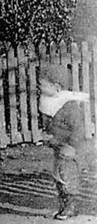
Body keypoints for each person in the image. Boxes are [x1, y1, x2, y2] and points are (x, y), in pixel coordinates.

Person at [38, 64, 91, 220]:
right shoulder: (51, 102)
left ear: (56, 87)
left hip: (69, 148)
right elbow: (53, 125)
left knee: (68, 177)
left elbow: (78, 130)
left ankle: (70, 207)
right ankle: (63, 206)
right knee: (58, 177)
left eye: (43, 85)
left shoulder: (69, 106)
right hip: (59, 147)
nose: (39, 88)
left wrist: (72, 146)